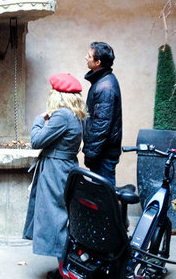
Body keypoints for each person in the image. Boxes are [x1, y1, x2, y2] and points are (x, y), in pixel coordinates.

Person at [23, 73, 87, 279]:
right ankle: (67, 266)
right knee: (61, 216)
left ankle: (65, 270)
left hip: (55, 171)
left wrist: (38, 120)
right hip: (64, 167)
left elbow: (36, 140)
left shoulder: (62, 115)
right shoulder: (75, 114)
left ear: (58, 95)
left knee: (56, 218)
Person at [83, 42, 122, 185]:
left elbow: (101, 125)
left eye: (89, 56)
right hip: (101, 153)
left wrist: (91, 155)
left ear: (97, 62)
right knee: (100, 198)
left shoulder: (105, 87)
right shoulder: (102, 81)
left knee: (103, 201)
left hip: (102, 155)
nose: (85, 58)